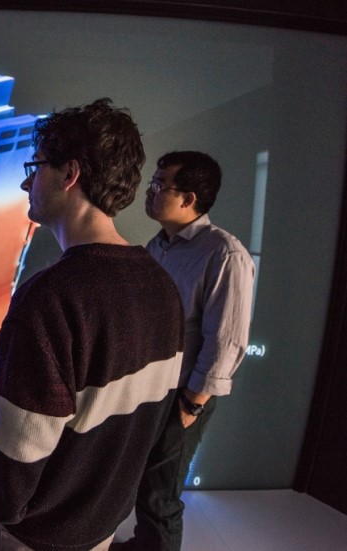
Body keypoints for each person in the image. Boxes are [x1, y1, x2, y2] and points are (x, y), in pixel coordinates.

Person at [0, 98, 186, 551]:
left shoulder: (50, 299)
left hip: (33, 538)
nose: (27, 180)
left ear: (70, 174)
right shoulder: (162, 286)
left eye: (37, 165)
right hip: (99, 531)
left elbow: (13, 467)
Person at [111, 151, 255, 550]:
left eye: (160, 185)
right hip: (151, 387)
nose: (151, 191)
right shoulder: (158, 246)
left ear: (189, 198)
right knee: (142, 482)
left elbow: (227, 340)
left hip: (183, 394)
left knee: (161, 494)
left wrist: (192, 404)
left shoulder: (224, 253)